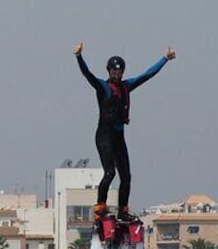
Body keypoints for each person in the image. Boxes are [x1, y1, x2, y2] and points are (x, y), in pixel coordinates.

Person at [72, 42, 177, 221]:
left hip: (119, 137)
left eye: (120, 71)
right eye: (114, 71)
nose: (117, 74)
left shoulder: (126, 86)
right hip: (104, 135)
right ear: (109, 71)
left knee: (126, 176)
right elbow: (87, 75)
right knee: (110, 173)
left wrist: (164, 59)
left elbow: (147, 75)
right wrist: (79, 57)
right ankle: (100, 206)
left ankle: (123, 210)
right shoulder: (103, 87)